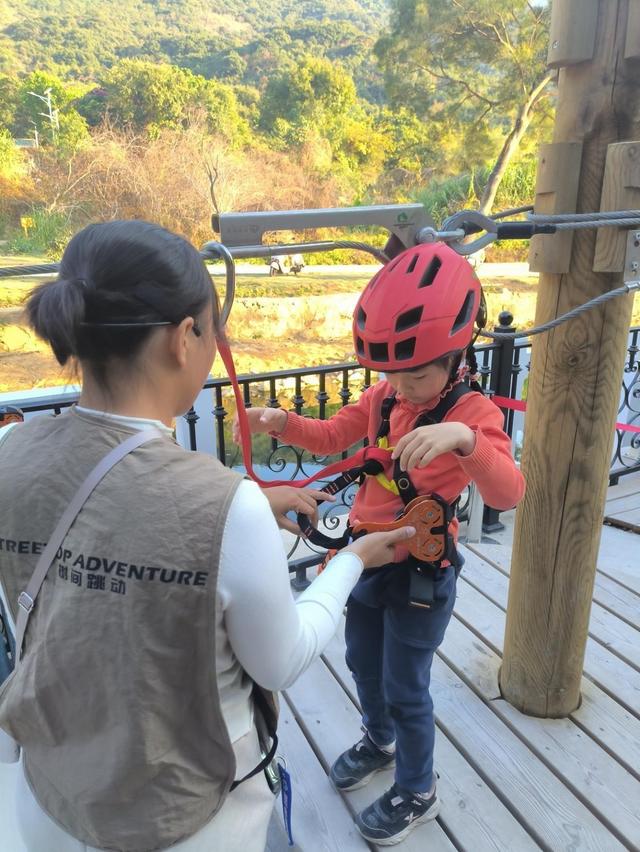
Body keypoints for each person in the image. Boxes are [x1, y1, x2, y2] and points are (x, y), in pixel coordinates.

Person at [0, 220, 414, 852]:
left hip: (49, 797)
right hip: (190, 818)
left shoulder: (9, 449)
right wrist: (352, 560)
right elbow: (281, 659)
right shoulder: (229, 507)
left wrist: (240, 510)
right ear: (184, 337)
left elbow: (98, 531)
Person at [235, 242, 526, 845]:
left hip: (421, 571)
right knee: (362, 663)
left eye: (417, 371)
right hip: (364, 560)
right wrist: (283, 423)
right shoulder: (385, 397)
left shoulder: (471, 411)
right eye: (391, 371)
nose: (402, 383)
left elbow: (509, 493)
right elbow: (333, 435)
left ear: (456, 356)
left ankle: (419, 788)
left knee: (406, 683)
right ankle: (380, 738)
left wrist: (465, 441)